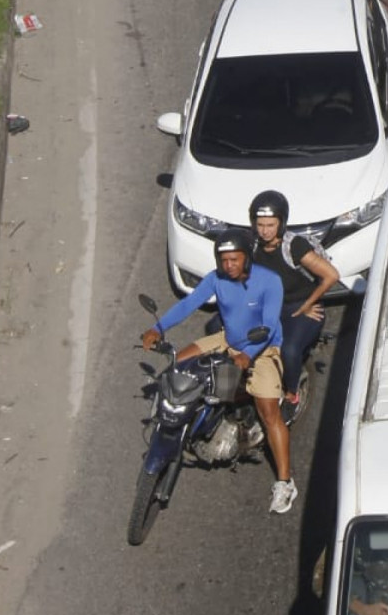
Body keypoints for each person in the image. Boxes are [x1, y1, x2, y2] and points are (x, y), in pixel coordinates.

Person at [141, 230, 297, 515]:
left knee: (268, 410)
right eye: (224, 260)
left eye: (235, 259)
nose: (229, 266)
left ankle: (285, 482)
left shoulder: (269, 281)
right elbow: (189, 303)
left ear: (247, 258)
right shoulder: (216, 279)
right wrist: (158, 328)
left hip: (261, 348)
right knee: (176, 369)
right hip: (228, 339)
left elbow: (270, 325)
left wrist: (247, 355)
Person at [248, 191, 338, 409]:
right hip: (270, 306)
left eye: (270, 225)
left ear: (281, 223)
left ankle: (292, 393)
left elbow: (331, 276)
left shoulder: (294, 247)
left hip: (301, 308)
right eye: (260, 225)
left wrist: (308, 304)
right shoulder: (252, 245)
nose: (265, 230)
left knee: (289, 350)